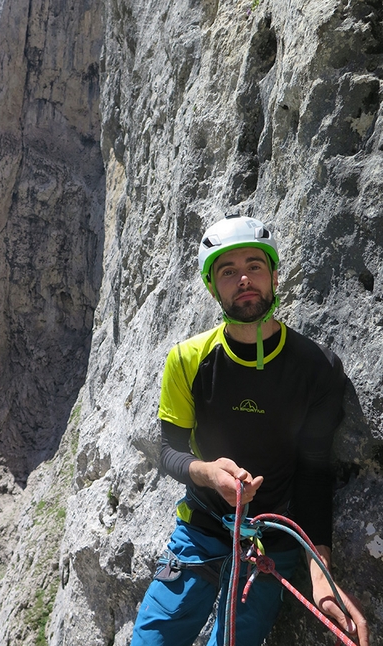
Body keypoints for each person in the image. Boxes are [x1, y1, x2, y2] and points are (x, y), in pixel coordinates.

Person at [131, 213, 369, 646]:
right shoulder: (187, 360)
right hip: (201, 528)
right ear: (211, 286)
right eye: (227, 271)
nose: (243, 279)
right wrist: (209, 474)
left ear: (275, 276)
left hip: (269, 541)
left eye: (255, 267)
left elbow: (314, 474)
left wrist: (321, 578)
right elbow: (170, 450)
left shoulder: (317, 368)